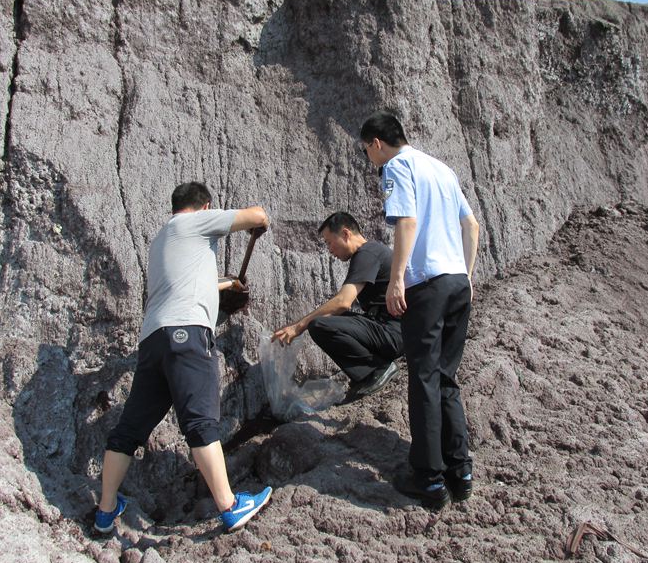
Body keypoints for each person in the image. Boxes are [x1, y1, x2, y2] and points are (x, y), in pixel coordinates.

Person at [95, 181, 272, 533]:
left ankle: (105, 510)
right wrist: (257, 224)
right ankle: (230, 505)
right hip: (188, 334)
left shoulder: (163, 238)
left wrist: (227, 287)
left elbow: (189, 281)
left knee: (129, 429)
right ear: (205, 207)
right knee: (200, 421)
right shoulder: (195, 222)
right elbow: (258, 215)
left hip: (154, 341)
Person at [359, 111, 480, 509]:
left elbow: (406, 222)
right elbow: (472, 226)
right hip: (456, 282)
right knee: (447, 377)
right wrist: (466, 275)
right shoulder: (442, 168)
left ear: (377, 142)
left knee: (424, 379)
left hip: (426, 285)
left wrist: (396, 280)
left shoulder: (397, 166)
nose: (370, 158)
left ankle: (428, 479)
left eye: (367, 151)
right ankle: (459, 472)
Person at [270, 212, 403, 398]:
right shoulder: (370, 252)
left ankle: (377, 370)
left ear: (346, 234)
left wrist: (298, 327)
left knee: (319, 325)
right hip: (386, 328)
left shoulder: (367, 253)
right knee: (330, 318)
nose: (330, 250)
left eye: (329, 242)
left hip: (393, 332)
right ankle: (369, 372)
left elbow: (343, 302)